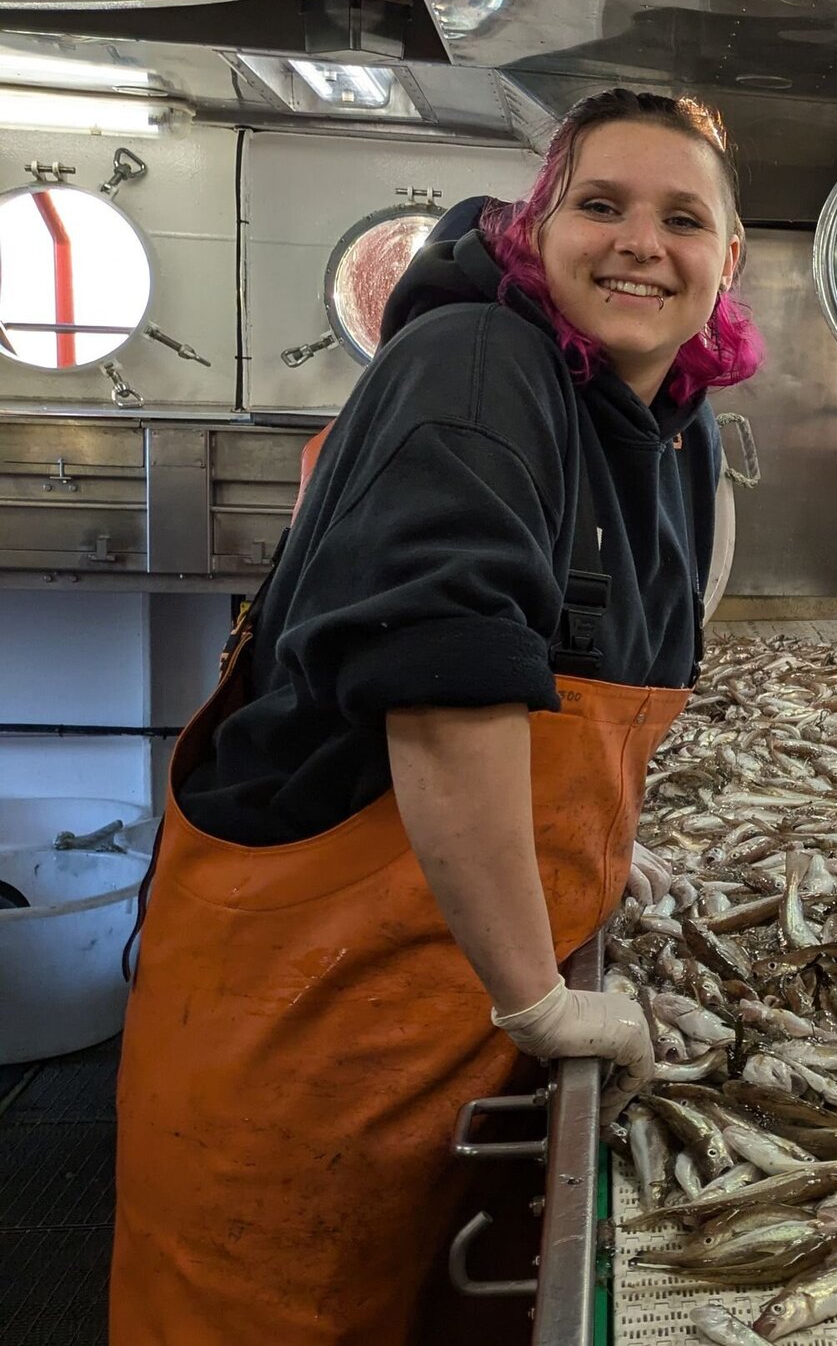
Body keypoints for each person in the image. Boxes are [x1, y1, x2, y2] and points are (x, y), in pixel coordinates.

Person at [109, 88, 764, 1345]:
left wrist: (595, 849)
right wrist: (541, 1001)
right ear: (536, 225)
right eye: (601, 205)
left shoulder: (661, 423)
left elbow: (577, 681)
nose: (641, 243)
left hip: (444, 991)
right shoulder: (474, 366)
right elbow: (444, 685)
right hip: (309, 1011)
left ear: (727, 258)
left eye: (683, 219)